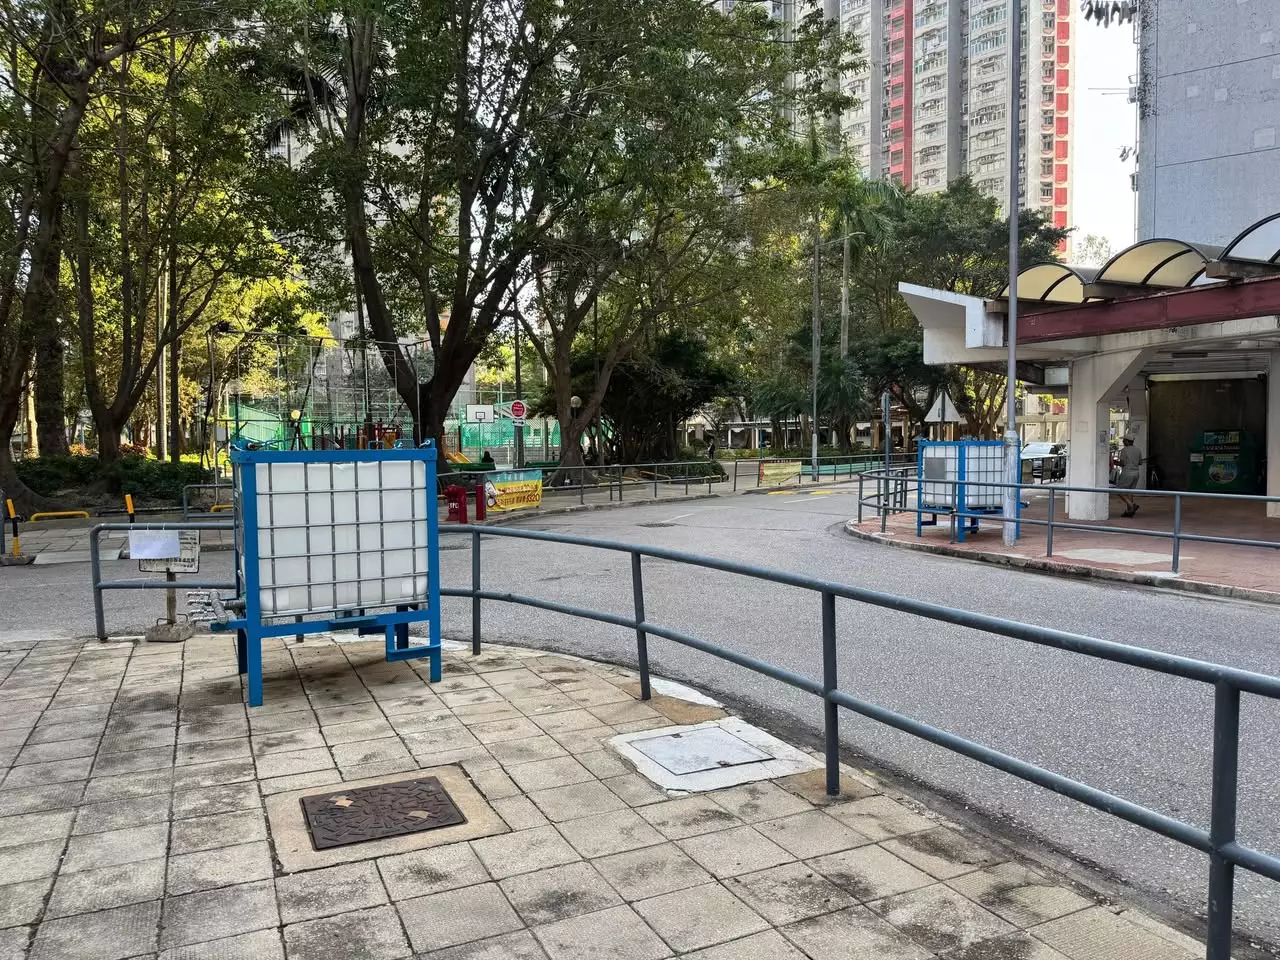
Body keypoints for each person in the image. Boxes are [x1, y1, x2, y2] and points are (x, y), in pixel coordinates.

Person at [1116, 436, 1142, 517]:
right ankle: (1129, 511)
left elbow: (1122, 463)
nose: (1123, 442)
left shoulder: (1124, 450)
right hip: (1136, 473)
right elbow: (1140, 462)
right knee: (1130, 492)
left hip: (1127, 472)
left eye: (1124, 440)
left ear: (1128, 441)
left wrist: (1115, 462)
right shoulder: (1138, 450)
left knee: (1118, 490)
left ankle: (1131, 505)